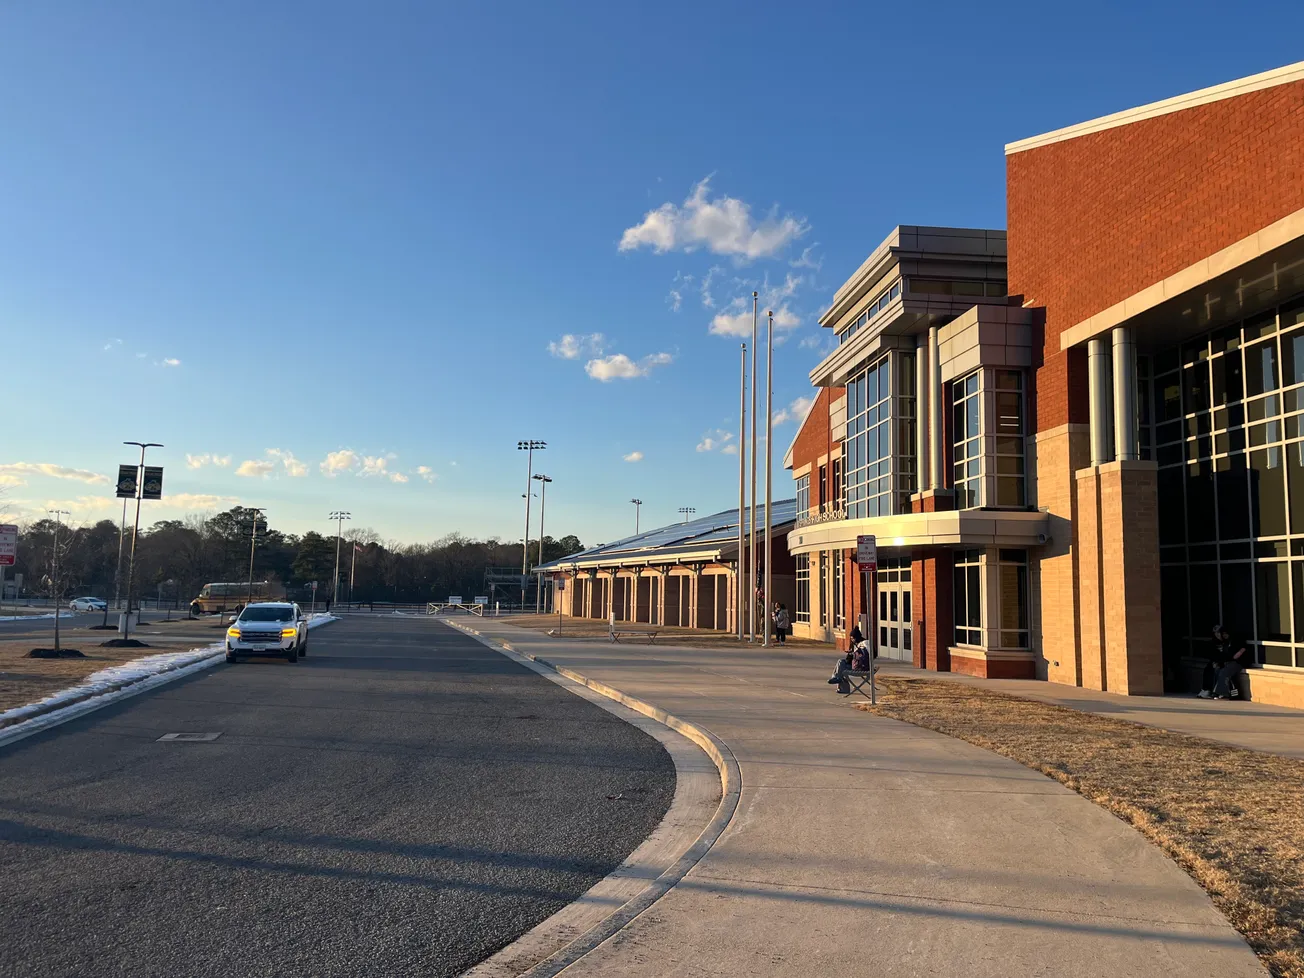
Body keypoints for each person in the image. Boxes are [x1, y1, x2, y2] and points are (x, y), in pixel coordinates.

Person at [1209, 625, 1248, 700]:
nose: (1217, 636)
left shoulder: (1236, 639)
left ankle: (1221, 693)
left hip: (1238, 662)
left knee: (1224, 672)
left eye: (1218, 634)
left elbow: (1242, 650)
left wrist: (1234, 657)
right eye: (1216, 634)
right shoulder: (1224, 642)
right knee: (1217, 670)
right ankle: (1218, 691)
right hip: (1229, 662)